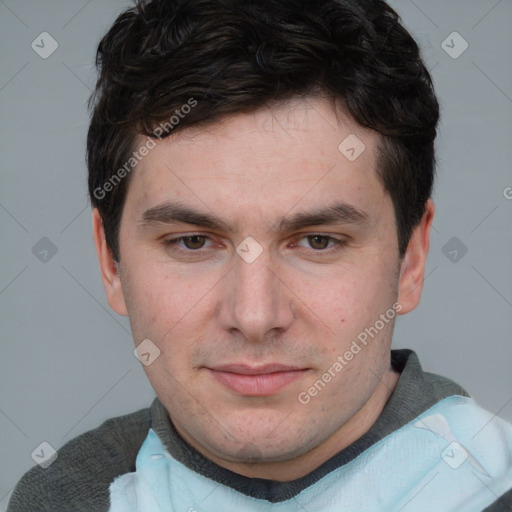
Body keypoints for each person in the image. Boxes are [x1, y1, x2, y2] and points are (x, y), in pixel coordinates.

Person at [8, 0, 512, 510]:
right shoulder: (64, 498)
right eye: (193, 241)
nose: (254, 316)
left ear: (412, 259)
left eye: (318, 241)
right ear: (110, 260)